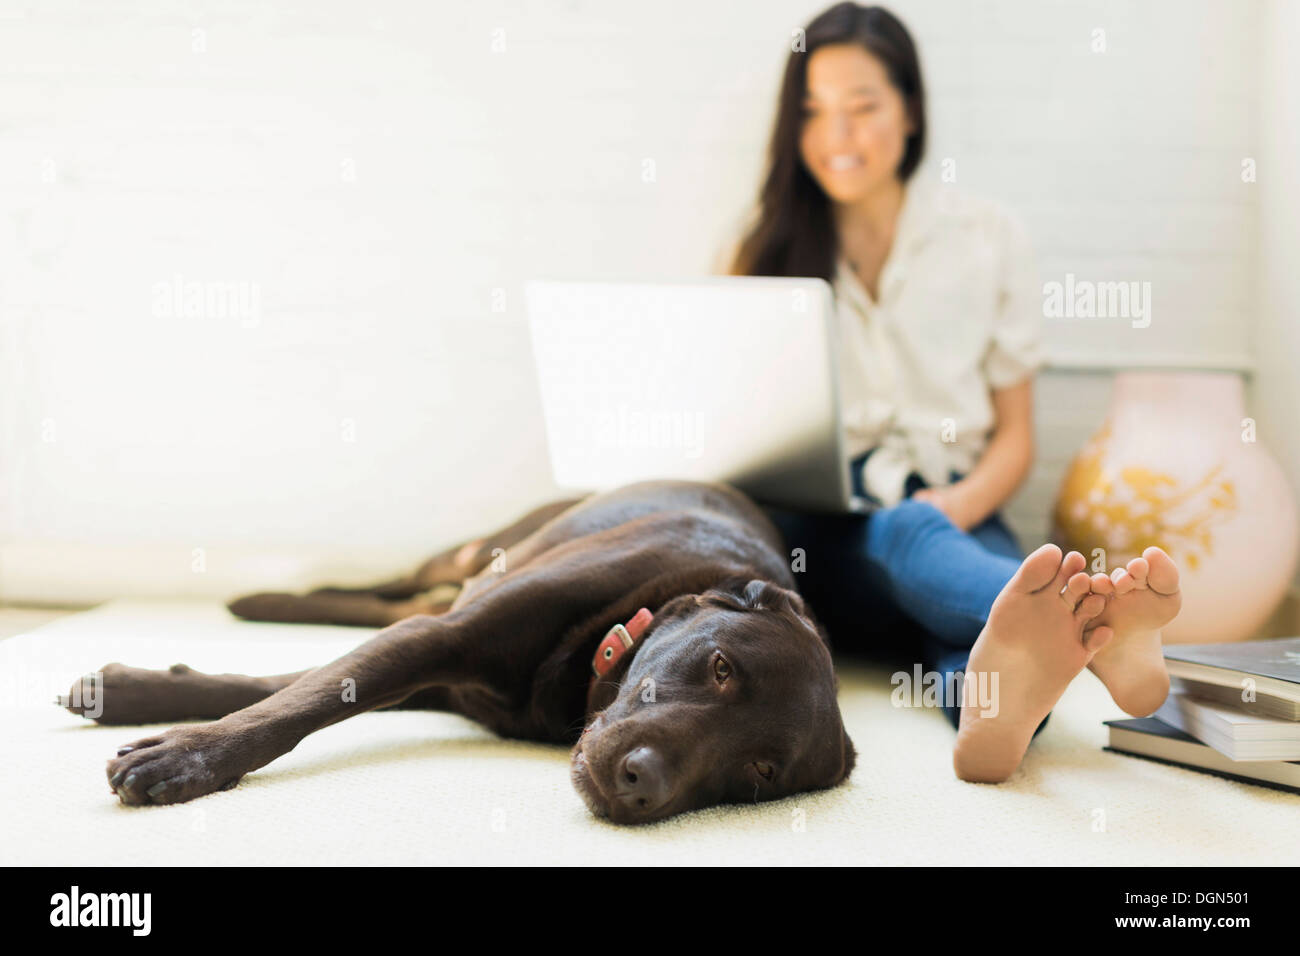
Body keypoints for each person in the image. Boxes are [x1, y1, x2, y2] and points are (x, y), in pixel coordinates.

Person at [722, 2, 1181, 781]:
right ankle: (1099, 623)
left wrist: (958, 507)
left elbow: (1015, 437)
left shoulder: (987, 236)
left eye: (863, 107)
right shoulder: (764, 248)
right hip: (830, 541)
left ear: (910, 110)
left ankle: (1000, 712)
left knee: (983, 645)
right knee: (918, 543)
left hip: (960, 512)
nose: (840, 134)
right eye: (814, 113)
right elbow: (737, 431)